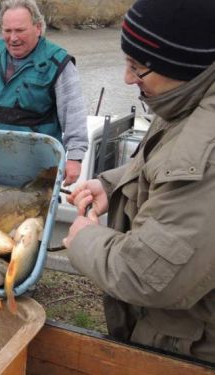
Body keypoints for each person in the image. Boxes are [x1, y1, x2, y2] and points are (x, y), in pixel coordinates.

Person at [63, 0, 215, 363]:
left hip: (191, 349)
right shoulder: (187, 97)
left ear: (184, 65)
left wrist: (83, 238)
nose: (127, 79)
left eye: (138, 67)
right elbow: (164, 160)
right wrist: (113, 185)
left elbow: (146, 274)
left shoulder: (207, 152)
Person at [0, 0, 88, 186]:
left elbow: (74, 115)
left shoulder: (58, 63)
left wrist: (75, 158)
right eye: (7, 30)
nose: (13, 38)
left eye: (20, 30)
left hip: (35, 172)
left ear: (38, 28)